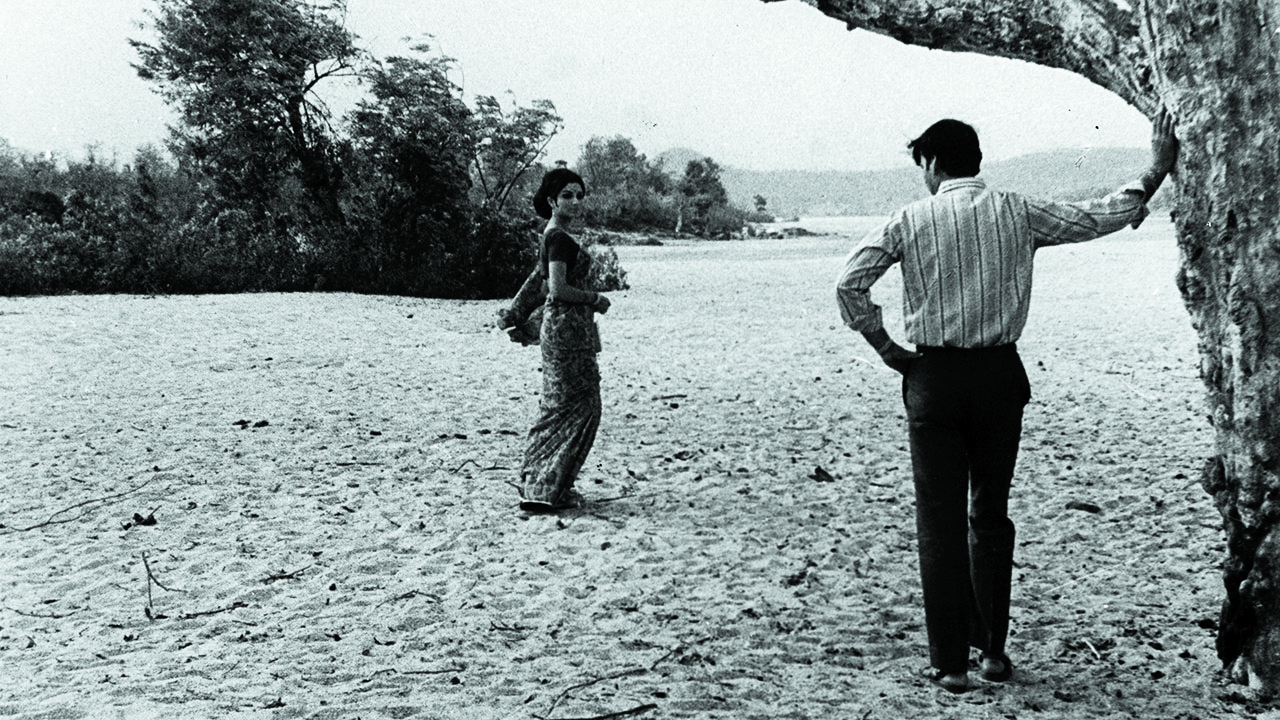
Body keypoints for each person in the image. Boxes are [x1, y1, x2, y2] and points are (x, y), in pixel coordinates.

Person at [835, 111, 1179, 693]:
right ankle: (993, 652)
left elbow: (849, 283)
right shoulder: (1017, 211)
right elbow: (1098, 216)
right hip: (999, 376)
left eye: (922, 165)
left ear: (932, 163)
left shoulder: (909, 220)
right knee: (990, 514)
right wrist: (1155, 169)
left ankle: (951, 663)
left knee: (939, 522)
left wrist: (888, 349)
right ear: (976, 161)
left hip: (934, 377)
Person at [518, 168, 611, 513]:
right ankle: (547, 488)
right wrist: (594, 298)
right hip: (566, 330)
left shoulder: (552, 234)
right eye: (567, 195)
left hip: (563, 328)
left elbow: (542, 284)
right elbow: (556, 289)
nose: (575, 201)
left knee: (560, 406)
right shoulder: (558, 238)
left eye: (579, 195)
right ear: (552, 200)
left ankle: (543, 487)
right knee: (580, 405)